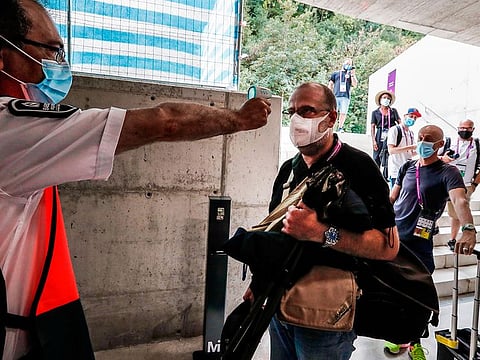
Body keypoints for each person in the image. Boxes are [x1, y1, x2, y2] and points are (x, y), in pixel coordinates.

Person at [0, 0, 271, 358]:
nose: (59, 65)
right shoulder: (12, 127)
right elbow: (164, 121)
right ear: (4, 56)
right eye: (51, 50)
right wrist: (237, 120)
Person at [261, 82, 399, 360]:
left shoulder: (360, 167)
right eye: (293, 112)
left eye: (307, 111)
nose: (297, 120)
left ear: (331, 117)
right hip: (280, 303)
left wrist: (322, 233)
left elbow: (388, 246)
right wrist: (258, 285)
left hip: (326, 313)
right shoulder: (289, 170)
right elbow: (275, 233)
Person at [388, 124, 477, 360]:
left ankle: (416, 341)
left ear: (439, 145)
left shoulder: (447, 172)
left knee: (418, 296)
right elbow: (392, 198)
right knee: (394, 292)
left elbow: (460, 201)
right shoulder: (408, 166)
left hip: (420, 244)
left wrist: (468, 228)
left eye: (428, 140)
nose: (422, 142)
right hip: (395, 241)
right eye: (420, 138)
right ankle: (399, 337)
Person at [440, 119, 480, 246]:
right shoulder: (449, 142)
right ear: (457, 128)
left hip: (466, 184)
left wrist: (474, 185)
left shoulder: (477, 145)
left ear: (473, 129)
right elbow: (433, 157)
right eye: (462, 128)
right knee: (434, 208)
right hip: (446, 182)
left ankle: (452, 239)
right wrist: (443, 158)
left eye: (468, 128)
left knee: (458, 213)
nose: (464, 130)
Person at [385, 108, 420, 187]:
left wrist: (420, 150)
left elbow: (410, 153)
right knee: (395, 195)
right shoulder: (395, 130)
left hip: (407, 170)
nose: (413, 119)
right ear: (405, 116)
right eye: (411, 116)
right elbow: (391, 150)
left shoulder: (411, 133)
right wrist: (411, 147)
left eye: (415, 118)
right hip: (396, 170)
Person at [370, 90, 401, 168]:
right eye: (384, 97)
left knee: (389, 154)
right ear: (380, 99)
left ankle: (387, 175)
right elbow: (372, 126)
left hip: (392, 132)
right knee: (377, 155)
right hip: (380, 133)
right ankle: (376, 174)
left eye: (388, 98)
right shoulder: (375, 112)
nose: (386, 99)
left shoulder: (393, 111)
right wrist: (374, 141)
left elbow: (399, 122)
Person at [328, 58, 357, 133]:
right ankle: (331, 127)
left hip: (345, 96)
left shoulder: (350, 75)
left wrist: (353, 75)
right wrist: (329, 94)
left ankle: (340, 127)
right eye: (347, 63)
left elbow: (355, 84)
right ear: (343, 63)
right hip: (335, 96)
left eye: (350, 64)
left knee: (343, 113)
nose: (348, 65)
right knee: (333, 112)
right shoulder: (336, 73)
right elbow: (330, 84)